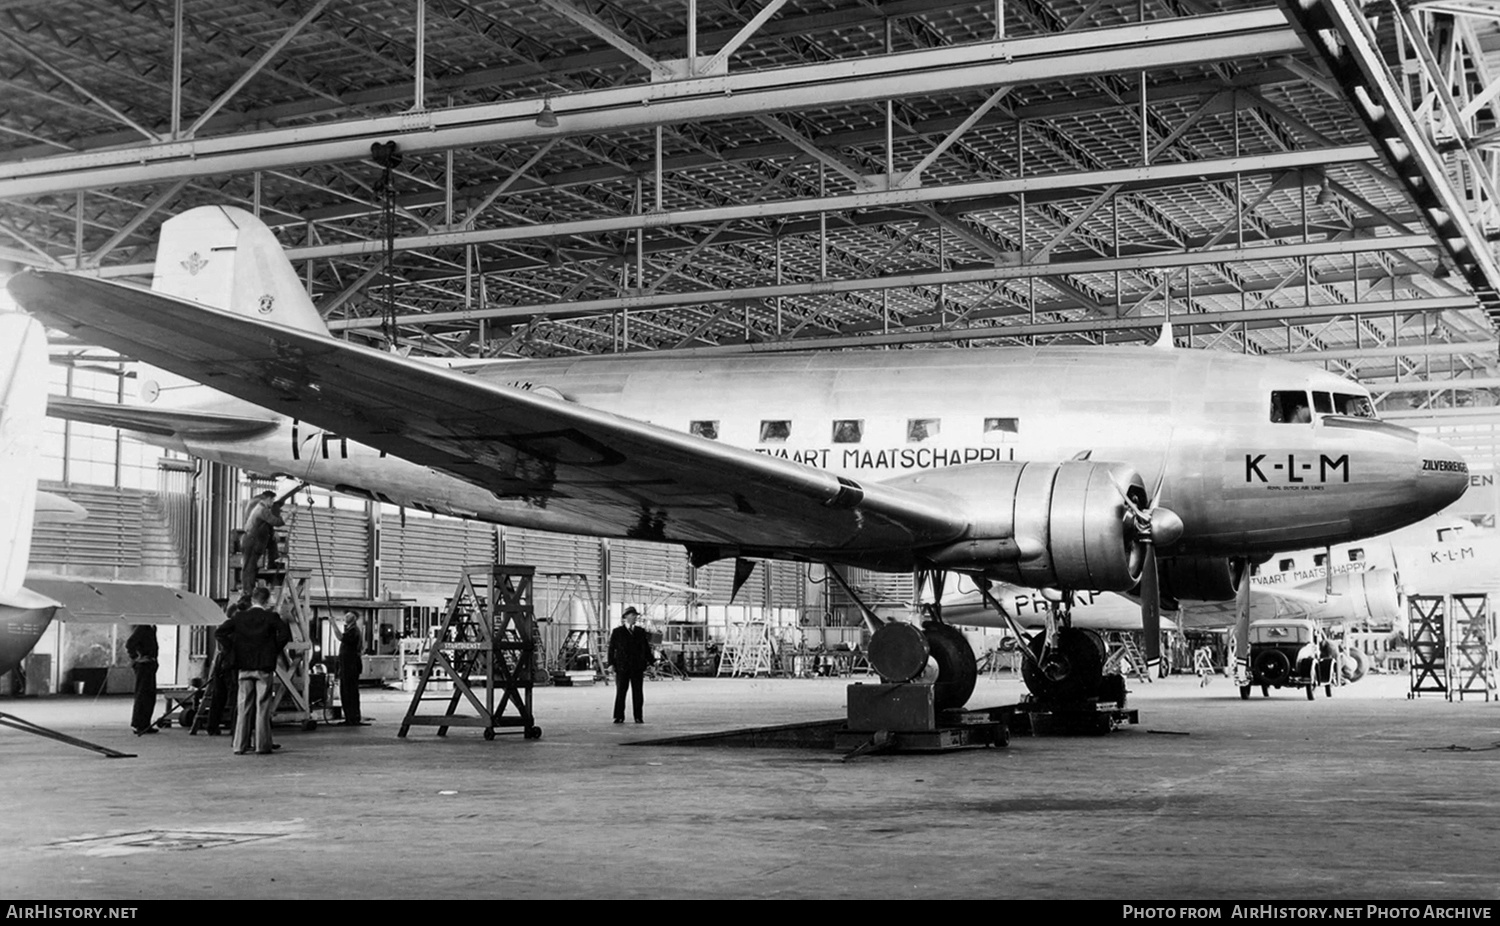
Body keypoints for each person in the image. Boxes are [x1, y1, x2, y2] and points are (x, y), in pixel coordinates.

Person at [215, 586, 291, 755]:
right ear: (266, 600)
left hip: (244, 667)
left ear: (253, 600)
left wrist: (233, 649)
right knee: (262, 706)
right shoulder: (271, 617)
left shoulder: (240, 617)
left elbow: (220, 633)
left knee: (243, 706)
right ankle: (262, 745)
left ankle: (239, 746)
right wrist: (272, 650)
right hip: (263, 667)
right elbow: (285, 633)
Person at [607, 606, 651, 724]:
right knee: (621, 692)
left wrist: (652, 662)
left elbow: (646, 648)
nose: (635, 617)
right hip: (622, 667)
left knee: (638, 693)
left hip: (637, 667)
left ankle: (638, 716)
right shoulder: (617, 632)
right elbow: (611, 649)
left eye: (636, 615)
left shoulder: (640, 632)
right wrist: (610, 663)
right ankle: (619, 716)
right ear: (626, 617)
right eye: (632, 615)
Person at [240, 490, 285, 592]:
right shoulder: (262, 510)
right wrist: (290, 514)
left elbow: (267, 524)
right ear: (268, 499)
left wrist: (272, 532)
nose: (273, 502)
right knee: (249, 568)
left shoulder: (259, 508)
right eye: (272, 500)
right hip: (251, 542)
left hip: (252, 541)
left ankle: (248, 591)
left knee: (250, 568)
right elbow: (276, 521)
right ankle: (247, 592)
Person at [125, 624, 159, 736]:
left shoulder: (151, 627)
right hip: (143, 664)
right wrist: (136, 657)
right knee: (142, 694)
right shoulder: (143, 627)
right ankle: (139, 724)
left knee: (149, 695)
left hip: (150, 663)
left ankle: (145, 723)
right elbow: (130, 643)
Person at [338, 610, 365, 726]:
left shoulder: (353, 631)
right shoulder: (352, 630)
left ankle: (352, 718)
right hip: (348, 665)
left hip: (350, 666)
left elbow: (341, 638)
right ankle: (351, 717)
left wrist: (333, 624)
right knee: (348, 692)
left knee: (349, 692)